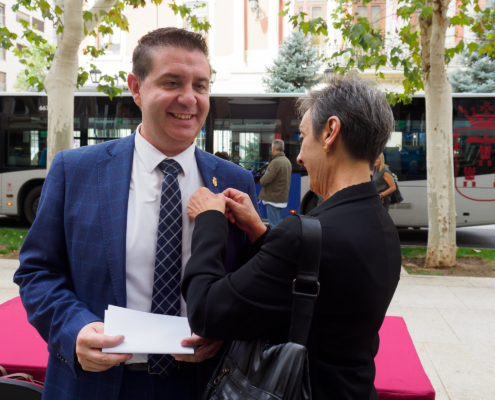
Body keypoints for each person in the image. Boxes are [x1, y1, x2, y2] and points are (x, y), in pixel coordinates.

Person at [14, 28, 258, 400]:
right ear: (136, 87)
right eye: (172, 82)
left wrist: (225, 329)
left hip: (202, 384)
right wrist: (74, 329)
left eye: (201, 85)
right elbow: (37, 272)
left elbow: (252, 286)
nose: (189, 98)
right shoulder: (74, 170)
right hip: (94, 384)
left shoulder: (234, 182)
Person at [181, 75, 402, 399]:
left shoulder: (305, 235)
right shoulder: (380, 222)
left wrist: (209, 219)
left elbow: (206, 312)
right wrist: (259, 232)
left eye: (303, 137)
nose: (299, 156)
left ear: (330, 132)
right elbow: (318, 283)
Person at [258, 139, 292, 228]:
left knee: (274, 225)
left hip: (273, 198)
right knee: (277, 222)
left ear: (273, 149)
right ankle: (280, 240)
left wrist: (260, 179)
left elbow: (266, 179)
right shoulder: (287, 161)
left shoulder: (276, 162)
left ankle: (277, 241)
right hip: (281, 197)